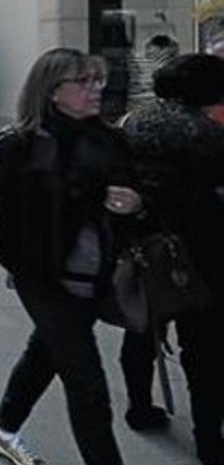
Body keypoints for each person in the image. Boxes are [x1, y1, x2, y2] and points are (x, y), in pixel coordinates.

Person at [0, 48, 142, 465]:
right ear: (52, 91)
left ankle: (4, 428)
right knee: (87, 384)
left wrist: (135, 202)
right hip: (40, 274)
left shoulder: (111, 139)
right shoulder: (20, 143)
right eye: (82, 81)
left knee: (46, 353)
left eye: (96, 80)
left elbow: (140, 194)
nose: (94, 89)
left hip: (96, 272)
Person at [117, 54, 224, 464]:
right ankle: (209, 438)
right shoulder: (208, 134)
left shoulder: (133, 123)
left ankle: (139, 407)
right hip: (203, 252)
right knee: (204, 348)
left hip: (147, 246)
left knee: (143, 329)